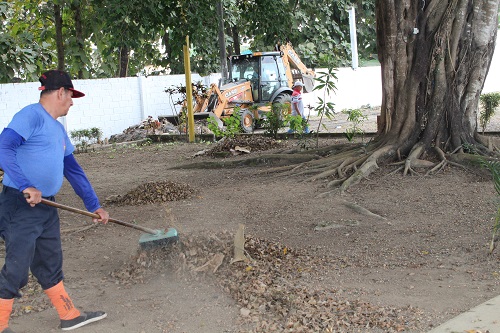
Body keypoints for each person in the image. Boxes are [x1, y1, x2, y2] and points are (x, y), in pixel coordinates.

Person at [0, 70, 110, 332]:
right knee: (17, 268)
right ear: (61, 92)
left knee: (49, 263)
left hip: (46, 207)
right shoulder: (31, 116)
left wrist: (94, 205)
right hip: (21, 204)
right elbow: (3, 147)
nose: (72, 102)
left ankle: (68, 314)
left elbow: (72, 170)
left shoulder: (59, 130)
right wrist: (26, 184)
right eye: (71, 96)